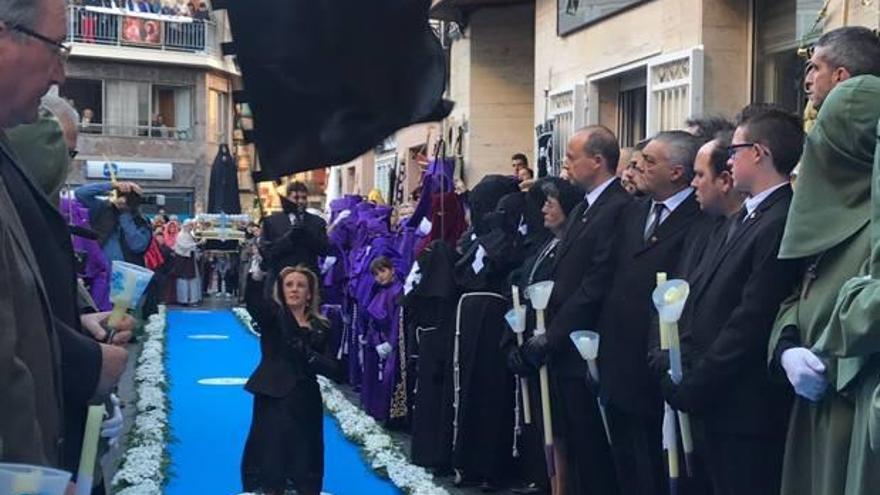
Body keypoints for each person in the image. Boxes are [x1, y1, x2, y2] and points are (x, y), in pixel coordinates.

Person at [661, 110, 803, 495]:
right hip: (720, 404)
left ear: (758, 153)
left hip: (746, 408)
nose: (729, 161)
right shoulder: (746, 217)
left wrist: (700, 380)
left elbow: (750, 318)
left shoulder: (780, 219)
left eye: (736, 151)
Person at [769, 75, 880, 495]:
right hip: (813, 407)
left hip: (851, 413)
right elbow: (800, 293)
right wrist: (787, 345)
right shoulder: (826, 213)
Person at [522, 125, 630, 495]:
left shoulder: (616, 207)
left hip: (585, 345)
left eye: (571, 157)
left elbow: (595, 282)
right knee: (579, 449)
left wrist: (552, 335)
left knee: (595, 454)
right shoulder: (588, 206)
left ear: (597, 161)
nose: (564, 166)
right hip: (566, 347)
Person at [597, 130, 705, 495]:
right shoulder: (634, 210)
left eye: (650, 161)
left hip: (656, 362)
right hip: (617, 357)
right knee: (625, 461)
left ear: (677, 172)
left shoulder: (699, 218)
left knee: (657, 468)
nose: (638, 166)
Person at [504, 177, 583, 495]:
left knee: (562, 430)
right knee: (545, 427)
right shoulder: (547, 245)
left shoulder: (569, 246)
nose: (545, 208)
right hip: (535, 349)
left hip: (557, 348)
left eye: (552, 202)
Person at [241, 265, 339, 495]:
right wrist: (255, 278)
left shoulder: (322, 326)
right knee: (271, 450)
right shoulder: (273, 318)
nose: (294, 290)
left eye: (300, 285)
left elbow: (336, 369)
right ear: (281, 290)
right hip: (273, 396)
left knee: (305, 452)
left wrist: (309, 356)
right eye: (289, 285)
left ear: (310, 293)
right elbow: (254, 305)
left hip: (306, 399)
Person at [260, 181, 330, 296]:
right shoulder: (272, 222)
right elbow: (267, 252)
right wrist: (289, 237)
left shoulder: (317, 222)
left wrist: (306, 233)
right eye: (296, 197)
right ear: (288, 198)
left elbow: (324, 249)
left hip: (307, 284)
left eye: (304, 197)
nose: (301, 201)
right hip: (279, 282)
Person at [360, 256, 405, 422]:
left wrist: (390, 343)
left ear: (392, 269)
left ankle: (386, 414)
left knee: (387, 379)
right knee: (373, 375)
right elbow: (372, 319)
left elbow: (398, 320)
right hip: (376, 340)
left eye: (383, 270)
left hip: (391, 343)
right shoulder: (378, 291)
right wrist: (377, 340)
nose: (380, 276)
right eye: (376, 273)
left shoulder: (399, 290)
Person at [76, 180, 153, 267]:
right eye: (123, 195)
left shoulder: (141, 221)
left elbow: (137, 246)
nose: (126, 200)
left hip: (127, 273)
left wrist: (125, 215)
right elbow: (80, 193)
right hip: (99, 269)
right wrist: (114, 185)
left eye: (132, 197)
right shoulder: (102, 208)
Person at [173, 219, 203, 306]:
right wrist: (196, 244)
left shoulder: (189, 235)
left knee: (192, 280)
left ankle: (192, 299)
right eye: (190, 225)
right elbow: (184, 246)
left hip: (190, 260)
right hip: (183, 261)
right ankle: (184, 300)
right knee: (183, 280)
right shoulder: (181, 235)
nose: (191, 227)